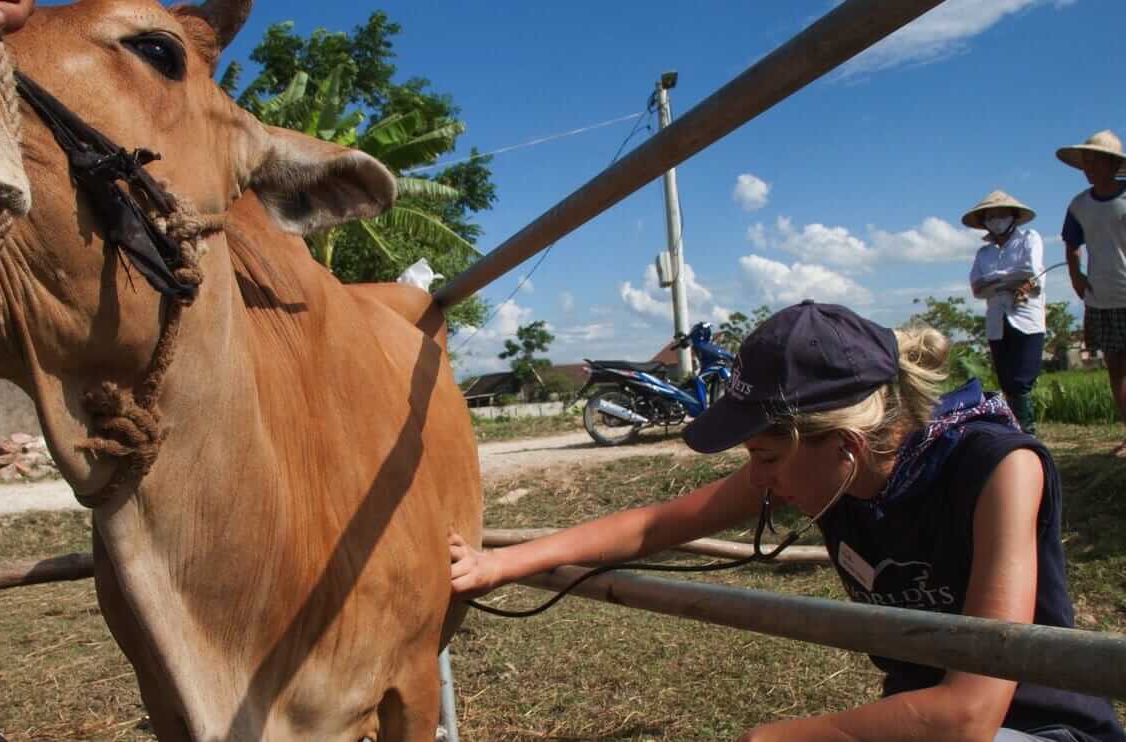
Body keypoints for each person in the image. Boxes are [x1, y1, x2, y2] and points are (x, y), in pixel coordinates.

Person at [451, 301, 1125, 742]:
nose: (759, 479)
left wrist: (773, 737)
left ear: (845, 445)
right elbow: (653, 527)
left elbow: (969, 715)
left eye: (766, 457)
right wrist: (500, 563)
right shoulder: (826, 470)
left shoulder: (998, 469)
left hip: (1038, 729)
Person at [1059, 129, 1126, 456]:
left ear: (1113, 164)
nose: (1089, 167)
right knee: (1116, 369)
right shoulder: (1079, 205)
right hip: (1102, 298)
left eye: (1096, 160)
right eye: (1086, 161)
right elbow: (1072, 245)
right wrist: (1076, 277)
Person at [965, 190, 1046, 434]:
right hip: (997, 321)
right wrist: (1008, 279)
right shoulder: (984, 253)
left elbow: (1031, 271)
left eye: (1001, 215)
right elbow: (977, 287)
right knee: (1007, 380)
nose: (996, 221)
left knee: (1023, 379)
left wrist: (995, 281)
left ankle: (1027, 431)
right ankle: (1015, 430)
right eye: (990, 217)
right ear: (983, 222)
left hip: (1026, 317)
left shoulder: (1029, 239)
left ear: (1013, 216)